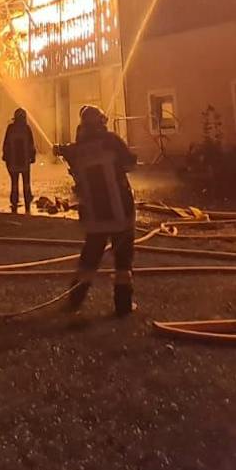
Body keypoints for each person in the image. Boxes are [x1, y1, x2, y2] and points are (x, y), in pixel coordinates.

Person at [57, 104, 138, 316]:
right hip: (120, 211)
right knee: (123, 260)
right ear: (101, 122)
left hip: (94, 214)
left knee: (90, 258)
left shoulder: (76, 150)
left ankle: (75, 299)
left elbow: (75, 174)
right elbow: (130, 164)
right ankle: (123, 304)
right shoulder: (111, 141)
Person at [2, 108, 36, 214]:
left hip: (13, 162)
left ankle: (14, 201)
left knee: (14, 183)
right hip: (24, 162)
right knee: (26, 183)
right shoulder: (26, 128)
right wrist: (32, 156)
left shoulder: (11, 128)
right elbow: (31, 145)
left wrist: (5, 157)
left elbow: (6, 144)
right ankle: (27, 202)